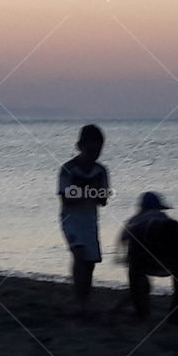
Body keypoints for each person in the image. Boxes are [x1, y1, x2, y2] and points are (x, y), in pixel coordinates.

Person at [58, 124, 110, 311]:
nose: (94, 154)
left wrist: (88, 191)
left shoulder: (101, 171)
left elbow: (103, 199)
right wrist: (89, 190)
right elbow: (66, 199)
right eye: (91, 150)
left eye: (98, 150)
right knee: (79, 256)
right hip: (71, 219)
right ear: (80, 146)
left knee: (90, 262)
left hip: (89, 220)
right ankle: (79, 300)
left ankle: (83, 297)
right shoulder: (68, 169)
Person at [120, 192, 178, 325]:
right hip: (169, 260)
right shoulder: (165, 219)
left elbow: (123, 242)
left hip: (144, 262)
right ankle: (174, 311)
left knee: (134, 265)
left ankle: (141, 311)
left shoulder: (134, 221)